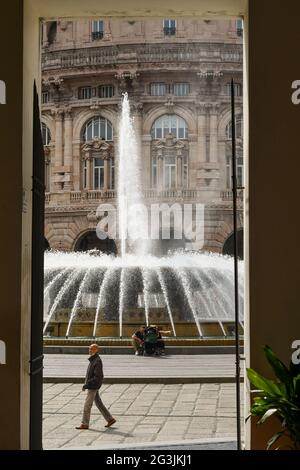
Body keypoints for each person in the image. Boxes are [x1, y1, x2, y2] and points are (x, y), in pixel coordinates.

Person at [75, 344, 116, 430]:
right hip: (93, 385)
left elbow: (98, 377)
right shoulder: (93, 360)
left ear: (96, 350)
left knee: (87, 405)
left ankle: (85, 424)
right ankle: (110, 419)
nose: (89, 350)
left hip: (93, 386)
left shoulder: (97, 361)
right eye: (89, 349)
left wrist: (87, 385)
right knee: (99, 403)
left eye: (92, 349)